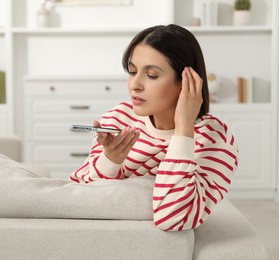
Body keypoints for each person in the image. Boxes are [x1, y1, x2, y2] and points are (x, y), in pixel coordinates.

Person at [70, 24, 239, 231]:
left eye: (151, 75)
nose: (135, 85)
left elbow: (174, 219)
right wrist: (110, 161)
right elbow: (78, 198)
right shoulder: (119, 117)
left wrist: (184, 128)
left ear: (185, 82)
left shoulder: (213, 139)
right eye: (132, 72)